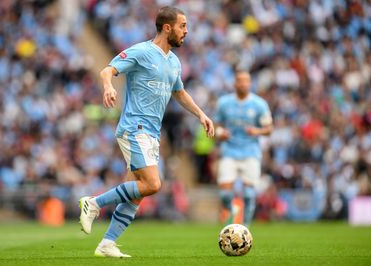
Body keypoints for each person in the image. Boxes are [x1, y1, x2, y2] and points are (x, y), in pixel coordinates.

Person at [79, 6, 214, 258]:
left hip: (152, 134)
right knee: (152, 184)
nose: (186, 31)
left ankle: (107, 243)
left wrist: (201, 114)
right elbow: (106, 70)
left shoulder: (174, 61)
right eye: (182, 26)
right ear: (167, 27)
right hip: (134, 127)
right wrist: (108, 87)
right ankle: (94, 203)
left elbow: (179, 92)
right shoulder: (141, 51)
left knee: (137, 191)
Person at [214, 70, 273, 226]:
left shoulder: (259, 104)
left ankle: (245, 227)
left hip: (250, 152)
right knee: (225, 194)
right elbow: (215, 127)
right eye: (240, 80)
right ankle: (232, 210)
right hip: (229, 151)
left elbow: (269, 129)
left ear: (250, 83)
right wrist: (221, 133)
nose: (243, 84)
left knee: (248, 194)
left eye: (246, 81)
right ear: (235, 83)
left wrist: (257, 131)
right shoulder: (224, 103)